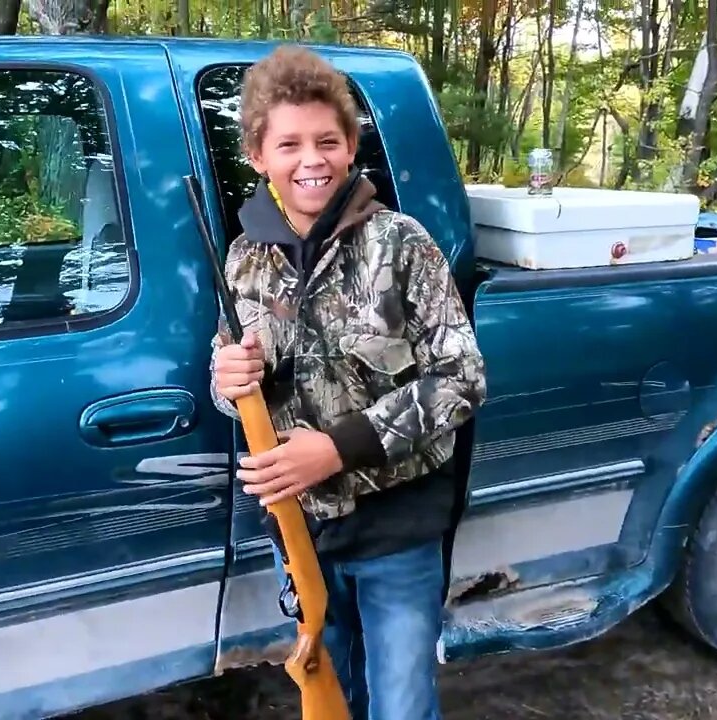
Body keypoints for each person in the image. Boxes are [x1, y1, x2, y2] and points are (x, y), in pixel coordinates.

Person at [208, 44, 487, 720]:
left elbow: (463, 378)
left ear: (351, 144)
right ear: (258, 155)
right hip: (300, 533)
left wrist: (336, 449)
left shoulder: (402, 243)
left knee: (399, 706)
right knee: (332, 700)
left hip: (399, 530)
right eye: (291, 144)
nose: (312, 160)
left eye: (328, 141)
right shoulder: (245, 257)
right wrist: (225, 378)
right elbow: (233, 376)